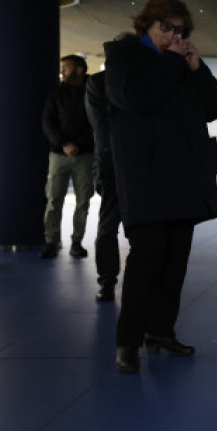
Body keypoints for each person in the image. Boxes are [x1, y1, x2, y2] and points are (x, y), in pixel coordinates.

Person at [104, 0, 217, 373]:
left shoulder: (181, 63)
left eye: (179, 30)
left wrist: (196, 68)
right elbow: (137, 99)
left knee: (175, 264)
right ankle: (127, 341)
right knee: (146, 263)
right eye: (166, 28)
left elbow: (215, 107)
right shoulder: (125, 57)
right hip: (147, 180)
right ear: (148, 25)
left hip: (184, 178)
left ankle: (161, 332)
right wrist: (174, 61)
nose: (173, 36)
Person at [40, 55, 94, 259]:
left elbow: (95, 123)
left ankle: (77, 243)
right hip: (58, 155)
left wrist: (78, 144)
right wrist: (65, 143)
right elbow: (47, 122)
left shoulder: (92, 91)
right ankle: (51, 242)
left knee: (83, 202)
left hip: (84, 155)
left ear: (79, 70)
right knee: (53, 200)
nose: (62, 71)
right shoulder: (56, 94)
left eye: (66, 67)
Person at [84, 70, 122, 302]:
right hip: (113, 165)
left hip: (114, 164)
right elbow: (100, 128)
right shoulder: (99, 82)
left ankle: (107, 281)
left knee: (109, 226)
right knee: (109, 226)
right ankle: (107, 280)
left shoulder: (99, 82)